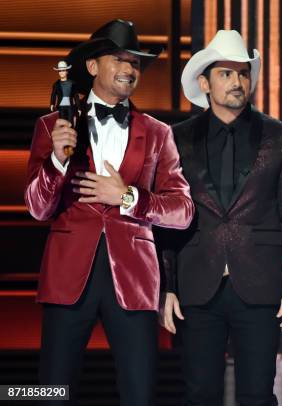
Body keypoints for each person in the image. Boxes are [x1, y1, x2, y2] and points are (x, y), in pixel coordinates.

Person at [24, 19, 194, 405]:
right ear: (92, 67)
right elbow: (37, 207)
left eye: (135, 62)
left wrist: (129, 197)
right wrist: (55, 161)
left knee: (140, 393)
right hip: (68, 276)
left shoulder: (157, 132)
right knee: (50, 391)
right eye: (119, 59)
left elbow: (182, 210)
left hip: (133, 280)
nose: (130, 69)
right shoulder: (52, 126)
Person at [158, 30, 282, 406]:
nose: (237, 81)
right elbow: (167, 216)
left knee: (258, 395)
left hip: (260, 286)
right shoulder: (176, 139)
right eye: (225, 73)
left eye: (242, 73)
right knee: (200, 394)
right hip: (197, 284)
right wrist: (168, 286)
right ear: (204, 82)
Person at [50, 60, 79, 128]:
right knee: (62, 123)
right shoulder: (56, 84)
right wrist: (52, 104)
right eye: (60, 71)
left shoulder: (72, 83)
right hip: (61, 107)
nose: (61, 72)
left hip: (70, 106)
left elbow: (76, 96)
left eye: (63, 70)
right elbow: (53, 95)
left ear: (66, 71)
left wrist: (78, 107)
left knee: (70, 123)